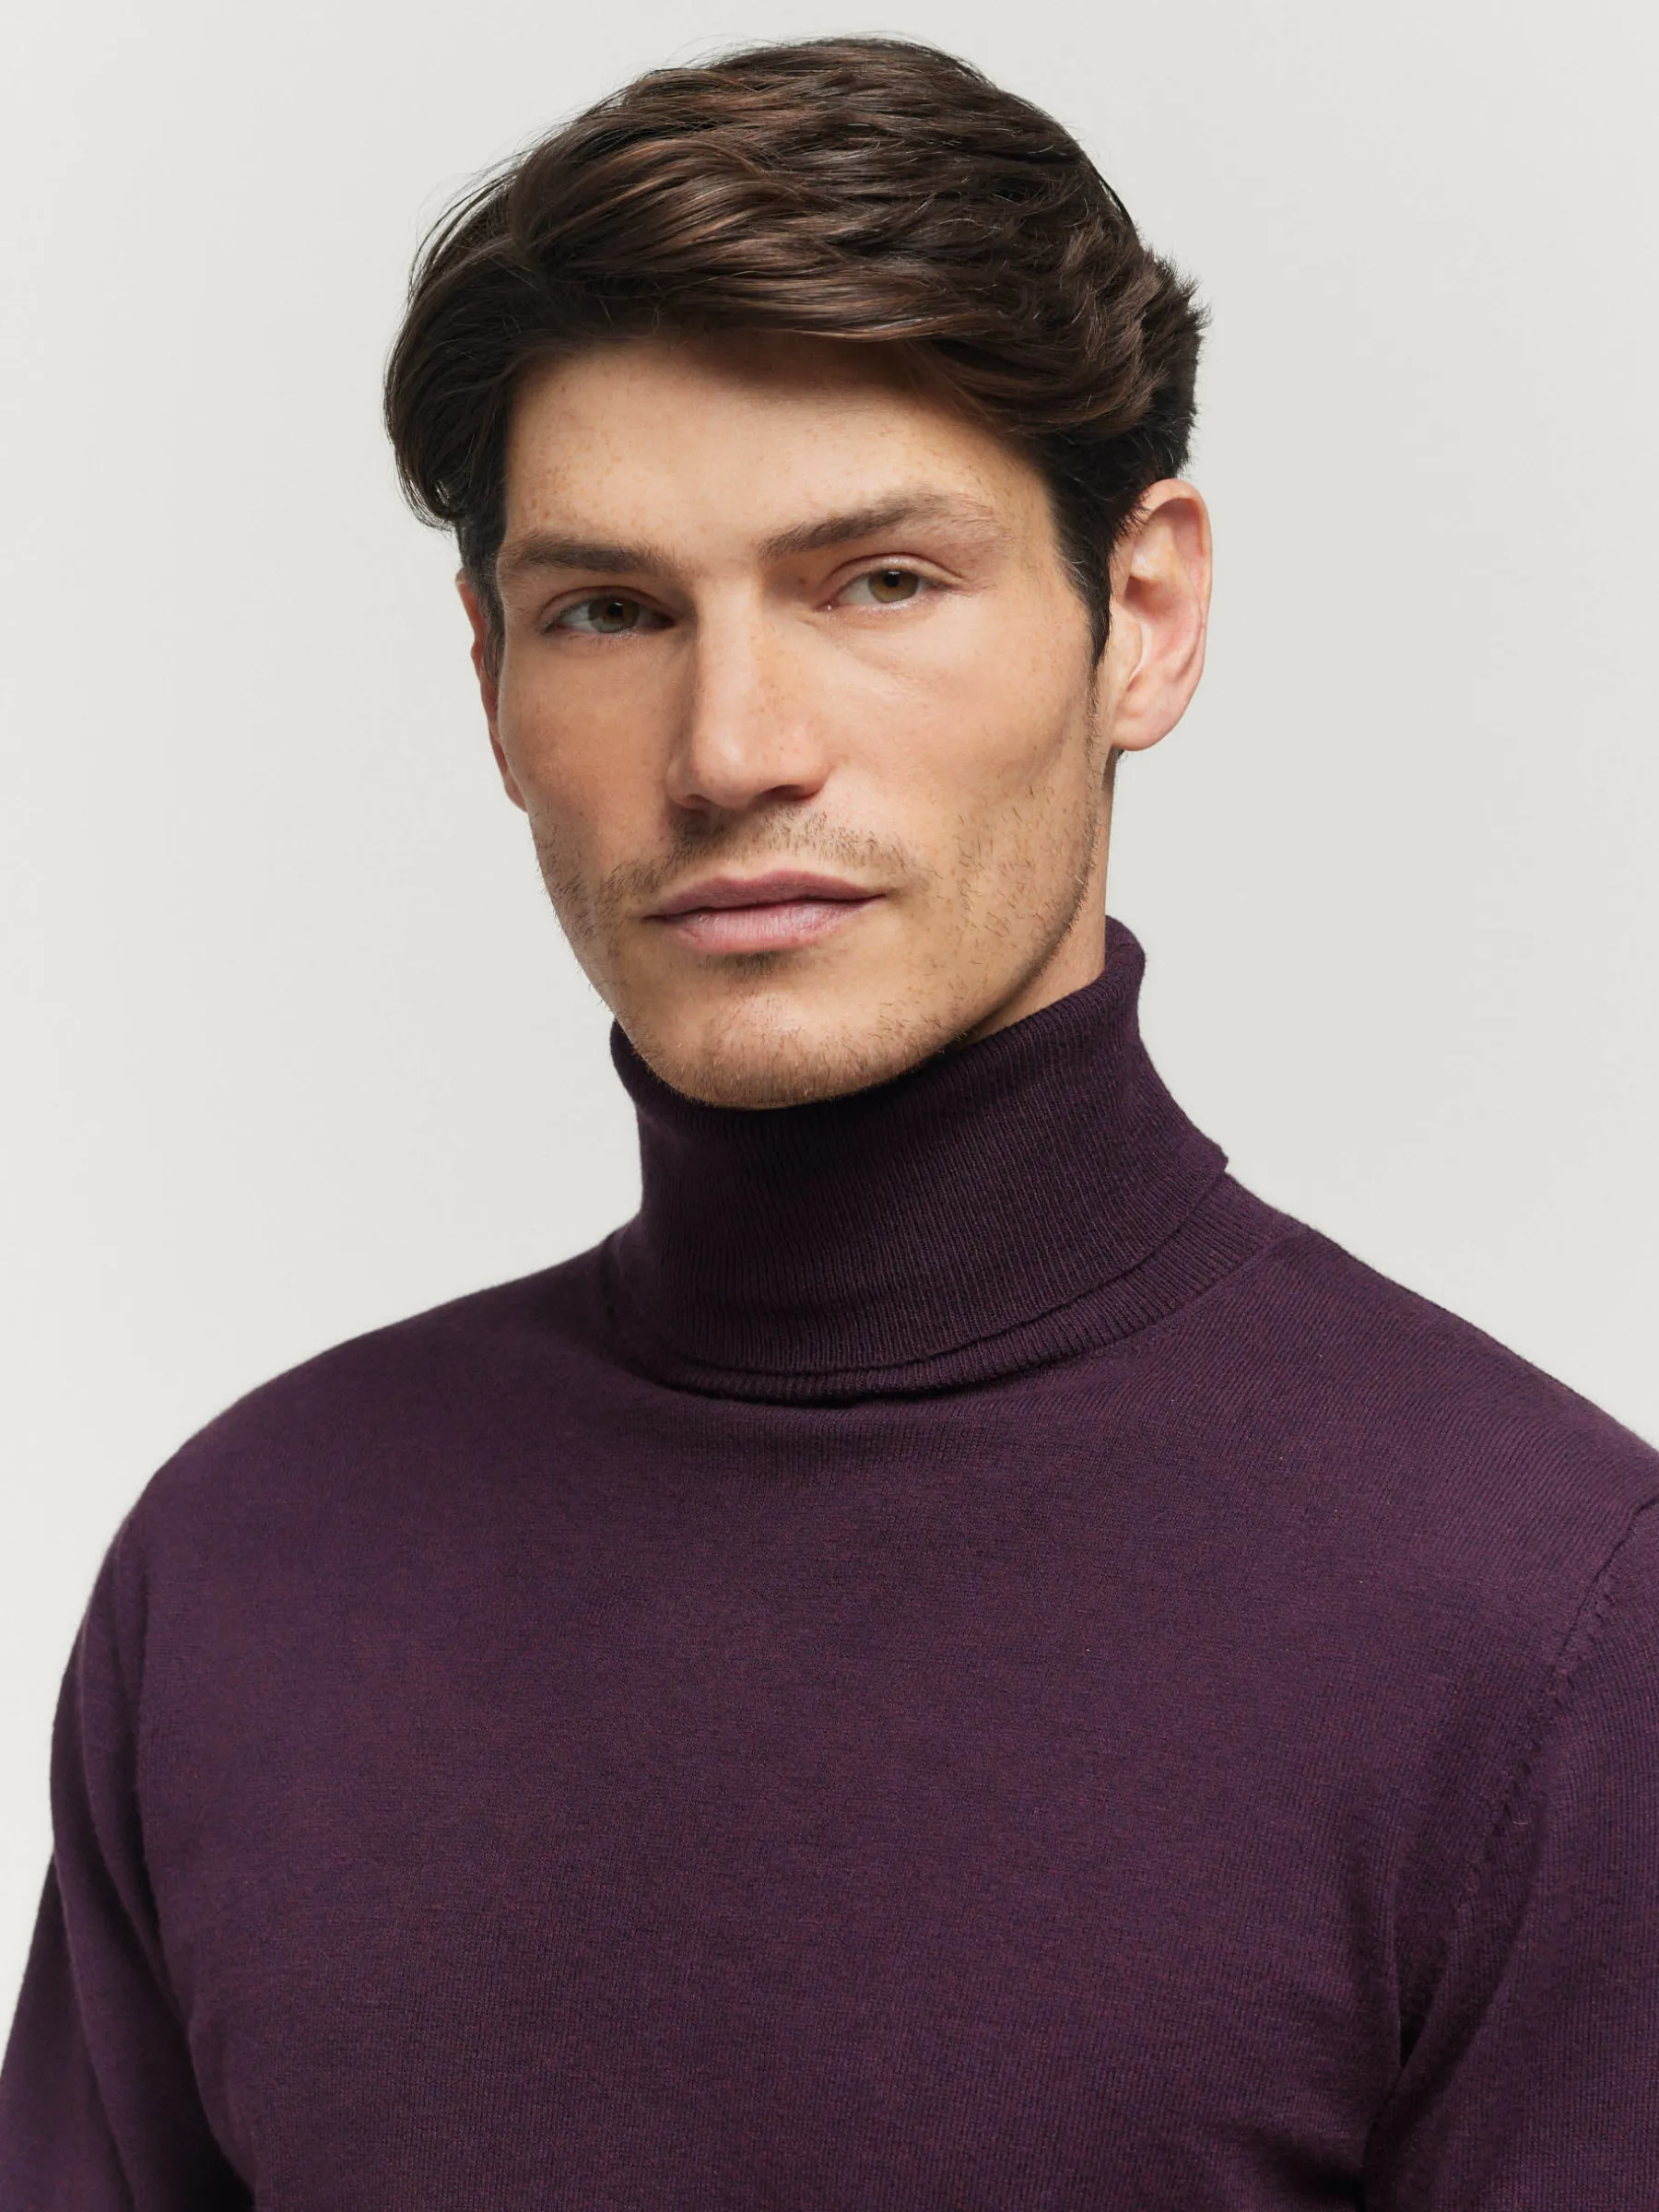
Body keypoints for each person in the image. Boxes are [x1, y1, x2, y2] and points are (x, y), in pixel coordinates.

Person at [2, 33, 1654, 2208]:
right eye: (610, 611)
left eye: (879, 581)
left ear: (1144, 618)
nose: (732, 747)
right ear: (490, 680)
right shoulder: (246, 1570)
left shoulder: (1547, 1623)